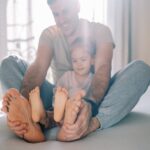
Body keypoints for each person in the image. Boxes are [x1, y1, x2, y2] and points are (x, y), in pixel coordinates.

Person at [0, 0, 150, 142]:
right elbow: (38, 68)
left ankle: (91, 123)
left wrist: (88, 105)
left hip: (93, 99)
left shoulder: (100, 31)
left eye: (65, 11)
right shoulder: (50, 34)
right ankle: (33, 119)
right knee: (8, 63)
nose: (62, 19)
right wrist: (23, 100)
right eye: (56, 14)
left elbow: (102, 71)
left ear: (77, 5)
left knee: (141, 70)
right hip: (56, 98)